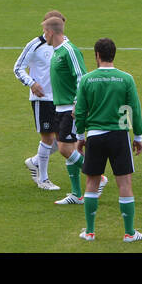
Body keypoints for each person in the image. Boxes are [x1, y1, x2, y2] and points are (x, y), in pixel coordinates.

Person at [73, 38, 142, 242]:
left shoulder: (87, 79)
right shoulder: (126, 79)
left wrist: (80, 136)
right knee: (124, 183)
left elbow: (79, 112)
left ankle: (89, 232)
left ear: (97, 55)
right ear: (113, 54)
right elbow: (134, 110)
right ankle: (129, 233)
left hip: (95, 136)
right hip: (119, 136)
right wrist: (138, 136)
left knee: (92, 183)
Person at [14, 9, 66, 191]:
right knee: (48, 137)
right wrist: (31, 83)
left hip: (61, 98)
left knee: (63, 141)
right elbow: (18, 68)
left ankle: (35, 161)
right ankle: (43, 179)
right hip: (42, 99)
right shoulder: (34, 45)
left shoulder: (64, 44)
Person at [46, 14, 90, 205]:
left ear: (51, 32)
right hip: (60, 107)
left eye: (44, 32)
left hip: (69, 109)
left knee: (64, 149)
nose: (43, 36)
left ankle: (96, 175)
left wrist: (77, 104)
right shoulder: (56, 51)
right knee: (69, 149)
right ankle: (77, 194)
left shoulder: (69, 51)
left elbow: (82, 77)